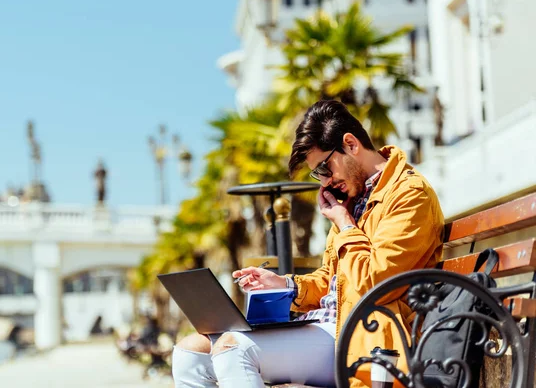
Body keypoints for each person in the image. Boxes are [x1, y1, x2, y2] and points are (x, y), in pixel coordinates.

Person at [171, 100, 444, 388]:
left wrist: (345, 224)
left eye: (325, 168)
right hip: (328, 327)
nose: (325, 182)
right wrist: (284, 284)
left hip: (367, 335)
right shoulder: (354, 199)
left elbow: (373, 284)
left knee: (235, 349)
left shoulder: (409, 194)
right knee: (189, 352)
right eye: (319, 174)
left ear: (350, 144)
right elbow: (332, 280)